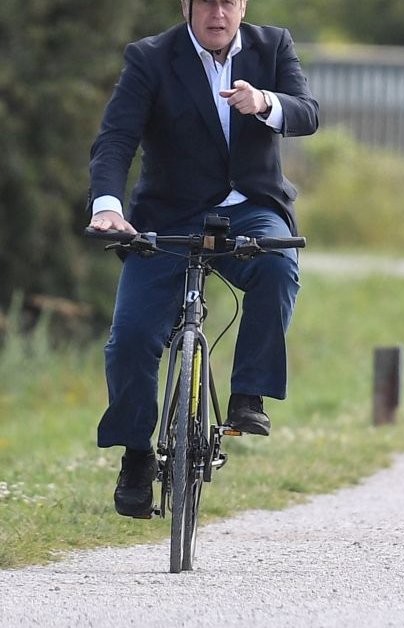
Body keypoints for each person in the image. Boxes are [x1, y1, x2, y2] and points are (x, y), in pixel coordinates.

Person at [87, 0, 318, 518]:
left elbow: (308, 113)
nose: (218, 12)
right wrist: (108, 205)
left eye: (228, 1)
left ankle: (249, 397)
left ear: (243, 6)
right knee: (129, 340)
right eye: (206, 1)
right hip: (166, 218)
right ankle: (137, 455)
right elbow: (117, 139)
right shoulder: (150, 58)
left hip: (249, 209)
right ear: (186, 6)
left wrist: (264, 102)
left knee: (278, 266)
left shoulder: (273, 45)